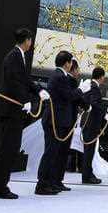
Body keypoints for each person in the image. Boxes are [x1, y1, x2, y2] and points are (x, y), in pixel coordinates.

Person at [0, 28, 49, 199]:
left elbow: (24, 80)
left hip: (12, 108)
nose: (31, 43)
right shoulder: (14, 56)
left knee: (2, 148)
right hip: (11, 109)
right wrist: (24, 100)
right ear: (26, 40)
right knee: (7, 149)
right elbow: (14, 81)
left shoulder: (19, 56)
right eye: (30, 40)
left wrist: (39, 90)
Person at [35, 51, 85, 195]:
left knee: (54, 153)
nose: (71, 65)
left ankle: (51, 182)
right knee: (50, 153)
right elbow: (69, 96)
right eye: (71, 62)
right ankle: (42, 185)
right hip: (54, 121)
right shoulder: (59, 76)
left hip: (57, 120)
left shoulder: (60, 76)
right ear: (67, 63)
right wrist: (81, 90)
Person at [80, 67, 108, 184]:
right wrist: (105, 112)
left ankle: (88, 174)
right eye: (103, 76)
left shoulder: (90, 86)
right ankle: (87, 176)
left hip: (89, 124)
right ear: (101, 77)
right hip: (90, 124)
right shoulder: (94, 87)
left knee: (88, 151)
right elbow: (94, 104)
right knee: (89, 151)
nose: (104, 78)